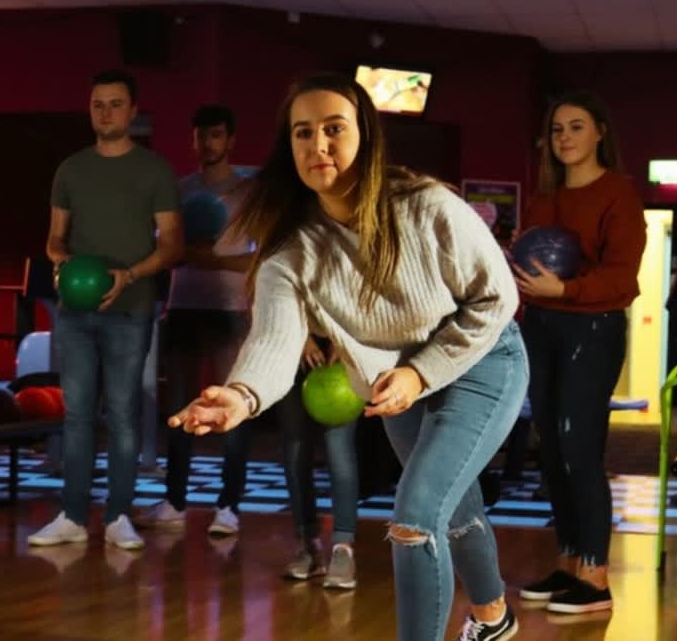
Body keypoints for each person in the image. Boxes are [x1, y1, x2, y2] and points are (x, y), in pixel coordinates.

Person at [169, 72, 526, 641]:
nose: (319, 146)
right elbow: (276, 339)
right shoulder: (292, 248)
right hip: (394, 381)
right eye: (303, 133)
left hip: (482, 358)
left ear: (365, 135)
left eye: (334, 129)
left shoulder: (425, 206)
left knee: (414, 515)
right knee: (452, 511)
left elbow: (497, 298)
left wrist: (421, 371)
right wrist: (238, 396)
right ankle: (494, 619)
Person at [28, 68, 182, 551]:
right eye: (98, 105)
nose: (106, 113)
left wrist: (129, 275)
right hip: (74, 308)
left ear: (133, 112)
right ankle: (73, 515)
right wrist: (61, 259)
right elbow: (55, 237)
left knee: (121, 413)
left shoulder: (154, 171)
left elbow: (174, 246)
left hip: (131, 307)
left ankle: (118, 516)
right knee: (76, 414)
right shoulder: (71, 169)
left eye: (116, 104)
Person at [514, 90, 645, 615]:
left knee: (578, 448)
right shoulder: (544, 197)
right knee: (550, 449)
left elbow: (622, 278)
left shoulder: (619, 195)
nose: (564, 137)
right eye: (557, 129)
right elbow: (532, 260)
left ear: (600, 134)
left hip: (592, 329)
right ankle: (570, 562)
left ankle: (596, 575)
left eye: (576, 126)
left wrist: (564, 291)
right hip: (542, 326)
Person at [135, 104, 255, 537]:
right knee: (180, 409)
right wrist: (206, 256)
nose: (209, 144)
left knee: (231, 408)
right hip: (182, 309)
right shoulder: (180, 190)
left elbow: (257, 261)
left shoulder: (249, 194)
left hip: (231, 313)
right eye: (202, 136)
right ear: (194, 141)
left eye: (217, 135)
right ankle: (175, 501)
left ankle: (230, 506)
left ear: (230, 141)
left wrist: (206, 256)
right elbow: (166, 251)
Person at [277, 335, 361, 589]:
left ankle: (342, 547)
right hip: (289, 343)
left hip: (345, 343)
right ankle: (307, 543)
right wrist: (300, 338)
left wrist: (342, 338)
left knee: (339, 450)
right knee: (295, 450)